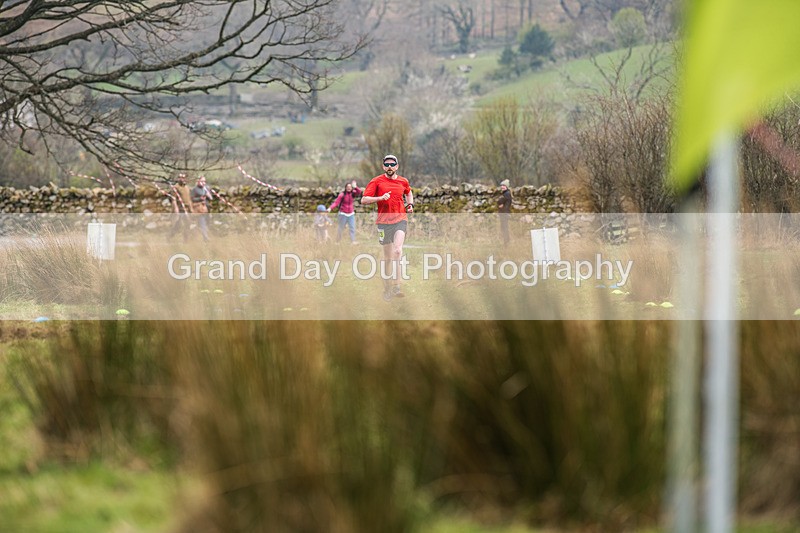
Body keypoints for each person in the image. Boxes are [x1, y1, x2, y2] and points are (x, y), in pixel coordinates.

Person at [361, 154, 413, 301]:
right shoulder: (376, 181)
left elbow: (409, 193)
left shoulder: (403, 181)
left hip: (400, 219)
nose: (390, 167)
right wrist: (380, 198)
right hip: (384, 223)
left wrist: (410, 205)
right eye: (387, 164)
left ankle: (397, 287)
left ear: (397, 166)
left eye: (392, 164)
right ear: (383, 166)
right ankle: (387, 288)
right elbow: (364, 200)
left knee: (398, 251)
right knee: (388, 258)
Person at [328, 179, 362, 243]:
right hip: (343, 214)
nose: (349, 188)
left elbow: (359, 192)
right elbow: (336, 203)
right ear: (345, 188)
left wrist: (355, 186)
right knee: (341, 228)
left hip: (351, 214)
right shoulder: (342, 195)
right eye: (347, 187)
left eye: (350, 187)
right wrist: (330, 208)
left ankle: (353, 241)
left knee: (352, 228)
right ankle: (337, 241)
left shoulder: (353, 193)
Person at [170, 174, 194, 242]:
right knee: (178, 225)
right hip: (180, 209)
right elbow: (173, 199)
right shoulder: (176, 187)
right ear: (178, 178)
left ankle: (186, 240)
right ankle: (170, 235)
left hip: (186, 209)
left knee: (188, 223)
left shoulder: (187, 187)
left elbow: (189, 199)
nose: (182, 179)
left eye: (183, 177)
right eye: (180, 177)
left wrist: (191, 208)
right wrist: (176, 208)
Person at [191, 176, 213, 242]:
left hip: (206, 208)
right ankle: (205, 237)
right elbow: (192, 199)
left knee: (206, 222)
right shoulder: (194, 189)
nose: (203, 183)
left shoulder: (206, 189)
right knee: (202, 222)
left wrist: (208, 195)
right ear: (198, 181)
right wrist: (200, 199)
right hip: (199, 208)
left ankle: (202, 236)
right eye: (202, 181)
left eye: (204, 181)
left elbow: (211, 198)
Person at [497, 178, 512, 246]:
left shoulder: (507, 194)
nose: (502, 187)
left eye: (504, 185)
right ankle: (506, 242)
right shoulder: (505, 193)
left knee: (504, 228)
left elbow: (500, 201)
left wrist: (500, 203)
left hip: (504, 214)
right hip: (503, 213)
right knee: (503, 228)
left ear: (507, 187)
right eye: (501, 185)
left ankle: (506, 242)